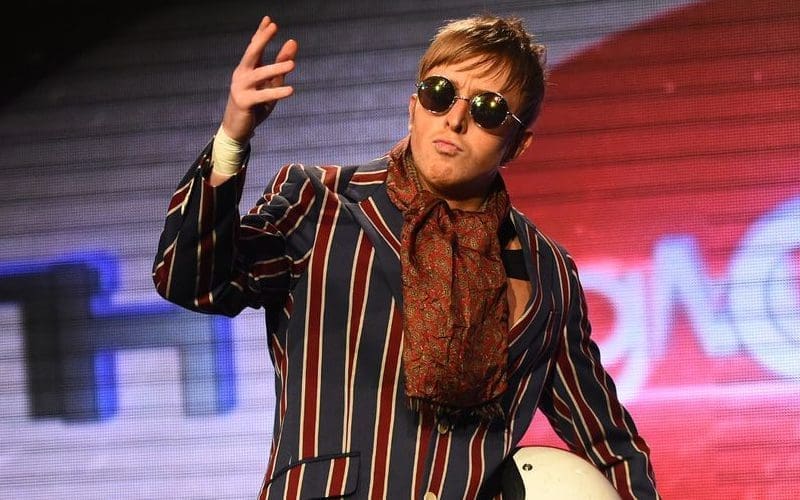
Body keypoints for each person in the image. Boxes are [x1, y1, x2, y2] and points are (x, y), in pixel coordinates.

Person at [152, 13, 660, 500]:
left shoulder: (547, 270)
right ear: (414, 105)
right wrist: (232, 139)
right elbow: (190, 280)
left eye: (488, 110)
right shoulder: (321, 204)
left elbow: (607, 443)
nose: (455, 119)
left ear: (518, 144)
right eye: (440, 94)